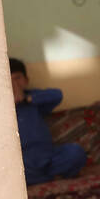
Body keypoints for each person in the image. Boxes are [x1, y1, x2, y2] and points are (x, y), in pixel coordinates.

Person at [11, 57, 86, 186]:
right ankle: (52, 177)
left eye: (18, 78)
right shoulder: (2, 108)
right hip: (25, 160)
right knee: (14, 171)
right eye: (10, 79)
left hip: (48, 156)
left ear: (26, 80)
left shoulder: (34, 98)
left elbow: (57, 95)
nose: (14, 84)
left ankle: (46, 177)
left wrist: (26, 99)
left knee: (76, 152)